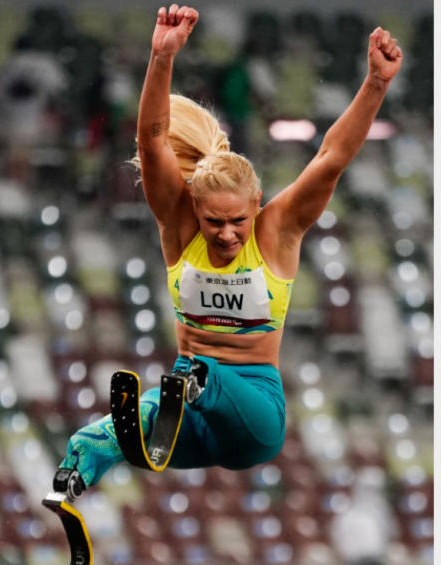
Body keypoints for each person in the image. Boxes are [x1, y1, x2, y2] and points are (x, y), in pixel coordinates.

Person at [57, 5, 402, 492]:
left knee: (202, 383)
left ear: (256, 204)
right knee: (120, 428)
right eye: (212, 221)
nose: (224, 235)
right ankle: (71, 477)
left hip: (253, 411)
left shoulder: (276, 231)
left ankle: (199, 381)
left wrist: (375, 84)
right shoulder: (179, 225)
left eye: (237, 221)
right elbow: (153, 141)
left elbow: (331, 157)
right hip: (187, 417)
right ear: (194, 209)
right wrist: (161, 57)